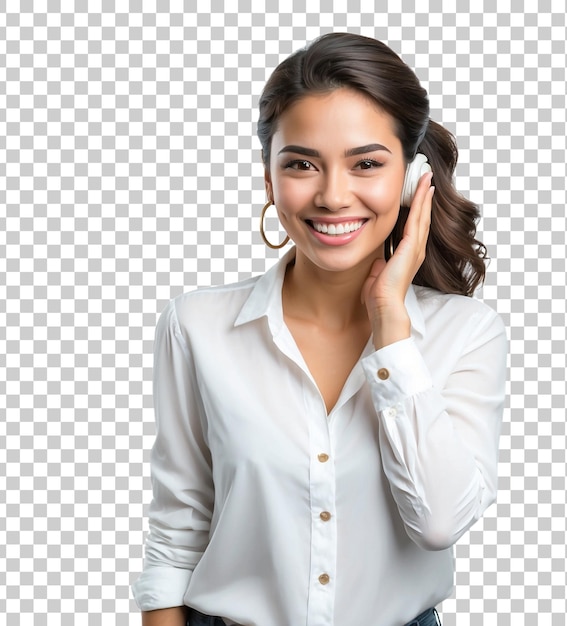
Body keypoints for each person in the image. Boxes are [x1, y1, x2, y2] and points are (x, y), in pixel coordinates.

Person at [132, 32, 507, 626]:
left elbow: (439, 522)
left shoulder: (468, 333)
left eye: (366, 164)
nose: (333, 196)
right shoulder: (196, 327)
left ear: (412, 181)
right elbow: (179, 524)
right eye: (302, 164)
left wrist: (391, 327)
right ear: (269, 180)